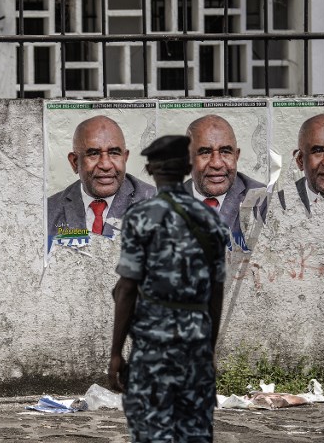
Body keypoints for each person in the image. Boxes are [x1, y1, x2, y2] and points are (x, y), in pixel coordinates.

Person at [108, 135, 230, 443]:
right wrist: (209, 347)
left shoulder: (140, 218)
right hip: (197, 347)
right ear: (188, 168)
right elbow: (216, 293)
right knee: (195, 432)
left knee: (152, 432)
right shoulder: (212, 221)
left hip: (153, 351)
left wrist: (115, 354)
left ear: (150, 170)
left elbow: (126, 289)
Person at [47, 115, 156, 237]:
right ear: (75, 162)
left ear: (125, 158)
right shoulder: (48, 211)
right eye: (93, 154)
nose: (105, 165)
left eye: (114, 153)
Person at [184, 115, 267, 236]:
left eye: (225, 152)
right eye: (205, 152)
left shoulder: (264, 202)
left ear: (236, 156)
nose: (216, 163)